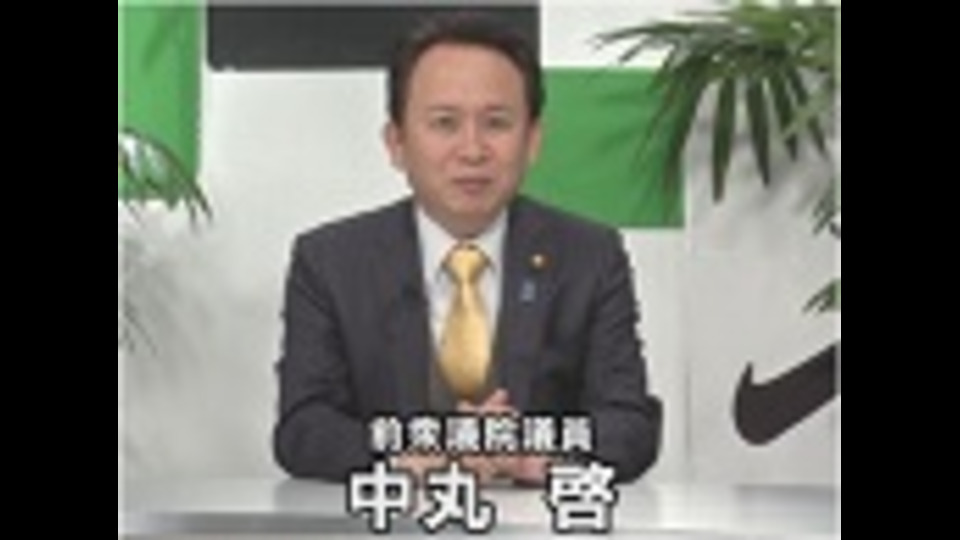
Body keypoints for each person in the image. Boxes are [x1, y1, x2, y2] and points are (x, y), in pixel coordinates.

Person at [273, 11, 661, 485]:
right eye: (445, 123)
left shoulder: (590, 257)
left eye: (496, 123)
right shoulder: (330, 262)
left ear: (532, 140)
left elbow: (630, 426)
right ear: (396, 142)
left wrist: (535, 455)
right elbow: (304, 429)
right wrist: (413, 452)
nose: (473, 150)